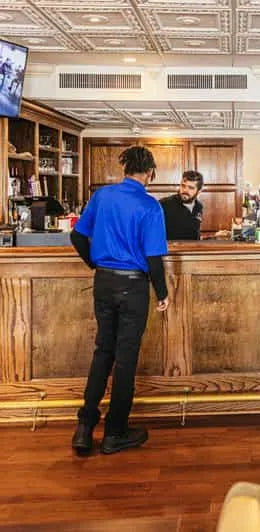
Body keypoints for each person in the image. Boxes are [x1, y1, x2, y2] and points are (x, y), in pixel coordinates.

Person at [69, 146, 169, 455]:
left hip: (104, 282)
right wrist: (162, 293)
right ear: (150, 173)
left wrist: (96, 265)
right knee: (125, 360)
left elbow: (76, 236)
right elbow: (154, 258)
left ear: (125, 168)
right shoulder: (150, 207)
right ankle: (115, 432)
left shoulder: (102, 196)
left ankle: (84, 429)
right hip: (133, 287)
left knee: (103, 352)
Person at [160, 170, 204, 240]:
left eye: (191, 188)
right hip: (171, 250)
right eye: (183, 186)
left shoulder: (199, 206)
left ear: (199, 191)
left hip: (192, 249)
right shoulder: (164, 204)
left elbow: (194, 233)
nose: (185, 190)